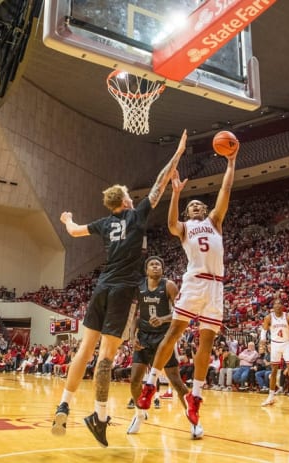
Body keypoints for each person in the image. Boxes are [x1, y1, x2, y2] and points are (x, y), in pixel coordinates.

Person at [51, 131, 187, 447]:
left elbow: (73, 230)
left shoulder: (102, 223)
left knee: (85, 349)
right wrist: (178, 152)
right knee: (107, 358)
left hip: (101, 286)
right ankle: (99, 417)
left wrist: (67, 219)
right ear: (125, 201)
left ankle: (64, 404)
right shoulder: (137, 214)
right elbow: (161, 182)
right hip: (123, 290)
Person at [137, 141, 238, 438]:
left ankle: (194, 398)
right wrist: (176, 192)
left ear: (204, 210)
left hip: (216, 287)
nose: (194, 207)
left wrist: (231, 164)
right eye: (190, 206)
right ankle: (150, 384)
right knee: (174, 334)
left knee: (205, 343)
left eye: (197, 205)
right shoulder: (184, 228)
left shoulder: (214, 221)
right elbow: (170, 223)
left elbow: (225, 192)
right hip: (194, 282)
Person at [126, 256, 191, 435]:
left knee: (176, 382)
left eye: (158, 265)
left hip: (164, 338)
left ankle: (192, 418)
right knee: (134, 380)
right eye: (151, 264)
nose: (155, 267)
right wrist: (132, 336)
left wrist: (162, 319)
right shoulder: (139, 287)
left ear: (162, 269)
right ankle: (139, 414)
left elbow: (181, 312)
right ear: (146, 270)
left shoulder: (168, 285)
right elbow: (136, 316)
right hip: (144, 338)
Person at [260, 297, 289, 407]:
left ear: (282, 306)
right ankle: (271, 396)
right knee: (273, 371)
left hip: (286, 344)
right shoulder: (269, 317)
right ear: (273, 307)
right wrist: (262, 342)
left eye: (279, 304)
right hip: (274, 344)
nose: (277, 306)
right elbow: (263, 330)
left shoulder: (288, 317)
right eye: (275, 304)